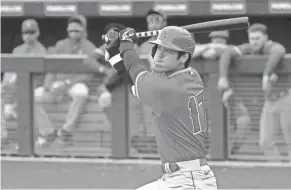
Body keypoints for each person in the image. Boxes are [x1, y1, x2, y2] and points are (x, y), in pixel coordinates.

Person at [104, 25, 217, 189]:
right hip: (182, 178)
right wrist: (115, 51)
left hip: (187, 180)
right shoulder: (187, 77)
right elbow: (131, 77)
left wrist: (126, 44)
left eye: (169, 51)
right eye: (158, 48)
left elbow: (135, 68)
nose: (160, 55)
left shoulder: (169, 88)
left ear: (183, 57)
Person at [218, 23, 290, 161]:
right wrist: (223, 77)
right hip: (270, 101)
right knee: (265, 142)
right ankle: (278, 170)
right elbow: (227, 53)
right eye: (251, 38)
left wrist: (266, 74)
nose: (254, 42)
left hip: (286, 97)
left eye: (257, 38)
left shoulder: (271, 46)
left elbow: (279, 50)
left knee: (289, 141)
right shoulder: (249, 48)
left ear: (265, 38)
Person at [34, 14, 97, 147]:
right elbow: (52, 66)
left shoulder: (89, 47)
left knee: (81, 93)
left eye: (76, 29)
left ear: (83, 29)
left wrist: (67, 83)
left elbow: (90, 75)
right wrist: (48, 84)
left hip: (75, 84)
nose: (73, 32)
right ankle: (48, 131)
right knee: (34, 96)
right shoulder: (61, 45)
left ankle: (66, 132)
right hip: (57, 84)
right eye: (71, 29)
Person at [1, 19, 47, 143]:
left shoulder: (41, 51)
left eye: (31, 32)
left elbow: (39, 78)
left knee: (24, 105)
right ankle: (2, 137)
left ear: (38, 33)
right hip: (15, 90)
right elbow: (8, 74)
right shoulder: (17, 50)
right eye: (25, 32)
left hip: (32, 88)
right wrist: (5, 88)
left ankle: (39, 136)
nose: (28, 35)